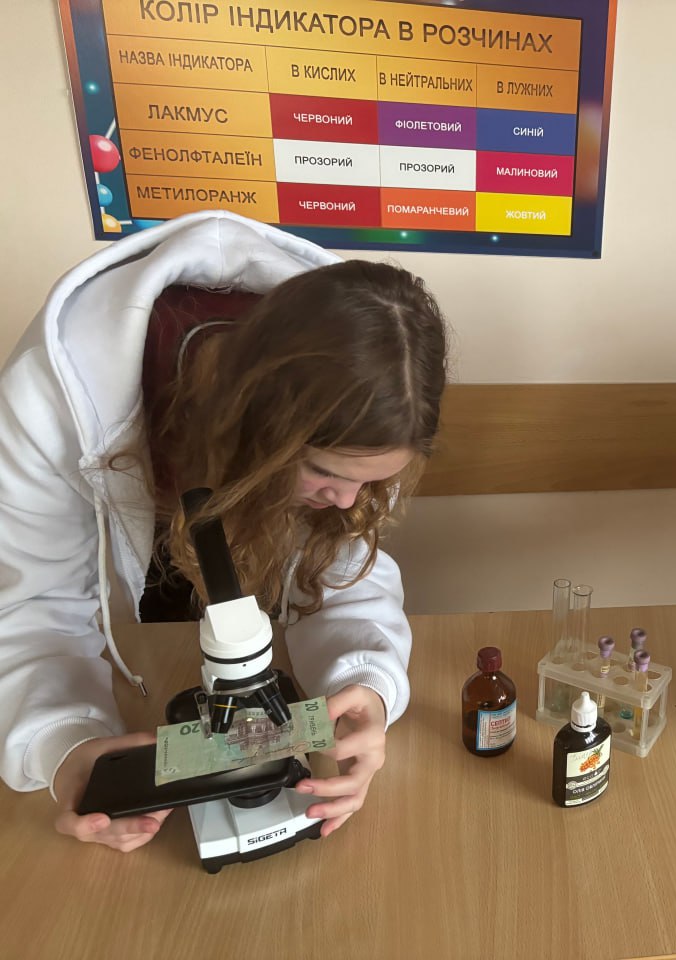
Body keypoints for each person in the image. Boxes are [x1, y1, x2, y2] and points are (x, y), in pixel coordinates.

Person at [0, 210, 447, 853]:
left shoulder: (370, 402)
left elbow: (344, 576)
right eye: (324, 472)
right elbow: (30, 607)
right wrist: (64, 741)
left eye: (370, 482)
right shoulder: (55, 401)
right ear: (254, 430)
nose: (348, 501)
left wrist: (367, 688)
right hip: (132, 655)